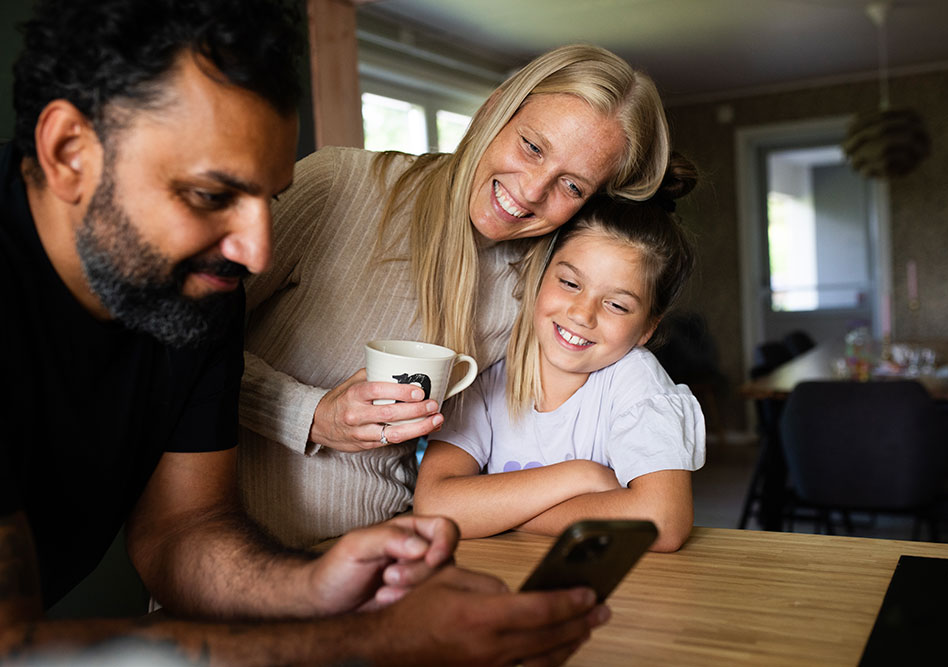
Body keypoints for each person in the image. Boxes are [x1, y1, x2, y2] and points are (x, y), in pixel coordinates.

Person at [0, 1, 607, 664]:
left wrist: (315, 582)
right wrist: (375, 641)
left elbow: (183, 529)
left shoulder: (197, 289)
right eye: (210, 195)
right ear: (67, 151)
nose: (256, 252)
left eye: (269, 197)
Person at [239, 43, 674, 548]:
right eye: (533, 147)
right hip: (242, 553)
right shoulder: (339, 186)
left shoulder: (541, 288)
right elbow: (178, 351)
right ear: (494, 108)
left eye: (572, 186)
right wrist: (310, 416)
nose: (532, 190)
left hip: (397, 556)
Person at [413, 161, 706, 552]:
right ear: (539, 275)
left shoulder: (636, 382)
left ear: (648, 328)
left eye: (617, 305)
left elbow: (663, 522)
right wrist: (580, 475)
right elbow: (433, 506)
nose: (582, 314)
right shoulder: (487, 372)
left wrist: (496, 513)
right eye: (569, 283)